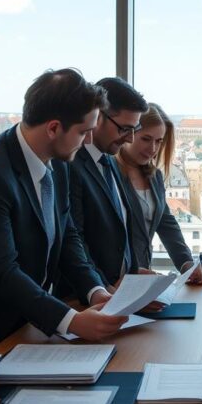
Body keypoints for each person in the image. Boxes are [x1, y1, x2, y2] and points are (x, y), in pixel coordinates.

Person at [0, 69, 127, 346]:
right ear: (53, 128)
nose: (88, 141)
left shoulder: (60, 160)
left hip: (19, 320)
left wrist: (94, 290)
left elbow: (68, 237)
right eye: (83, 132)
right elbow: (2, 271)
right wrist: (71, 321)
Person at [68, 77, 150, 289]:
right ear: (98, 117)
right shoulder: (71, 165)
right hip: (86, 302)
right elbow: (74, 240)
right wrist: (103, 288)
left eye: (135, 128)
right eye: (124, 129)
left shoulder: (109, 160)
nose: (130, 139)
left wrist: (133, 274)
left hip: (118, 296)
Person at [116, 103, 202, 284]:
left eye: (158, 141)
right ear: (128, 134)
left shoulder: (154, 176)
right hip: (112, 281)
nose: (153, 148)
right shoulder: (109, 173)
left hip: (141, 279)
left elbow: (166, 224)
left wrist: (186, 264)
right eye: (146, 139)